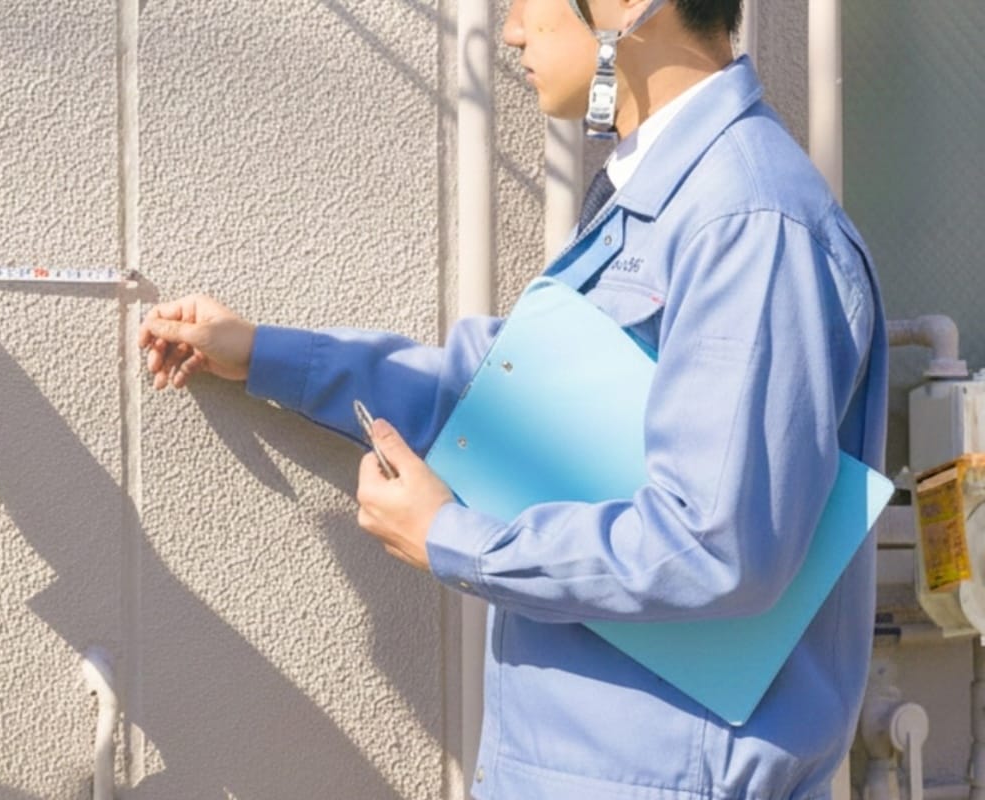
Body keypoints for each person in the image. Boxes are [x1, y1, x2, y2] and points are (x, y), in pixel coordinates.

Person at [137, 0, 884, 796]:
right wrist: (262, 353)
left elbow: (716, 545)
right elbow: (497, 401)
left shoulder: (750, 223)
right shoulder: (665, 194)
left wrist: (453, 539)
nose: (511, 30)